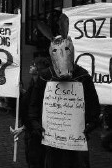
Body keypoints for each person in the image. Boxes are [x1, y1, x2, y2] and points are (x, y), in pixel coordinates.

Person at [28, 14, 101, 168]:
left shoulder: (83, 76)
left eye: (66, 50)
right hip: (51, 139)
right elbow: (34, 105)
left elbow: (93, 105)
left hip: (76, 141)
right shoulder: (45, 77)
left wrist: (90, 124)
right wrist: (35, 123)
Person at [11, 57, 50, 168]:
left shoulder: (43, 87)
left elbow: (38, 111)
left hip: (37, 133)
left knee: (36, 160)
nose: (30, 66)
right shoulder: (33, 83)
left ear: (39, 69)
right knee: (31, 159)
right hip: (30, 130)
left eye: (33, 65)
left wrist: (23, 128)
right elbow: (29, 102)